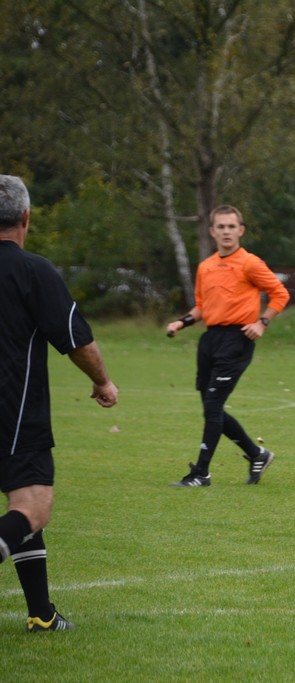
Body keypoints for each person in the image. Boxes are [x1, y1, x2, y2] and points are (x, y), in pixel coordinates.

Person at [0, 175, 119, 632]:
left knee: (21, 507)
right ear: (26, 218)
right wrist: (102, 382)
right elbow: (75, 340)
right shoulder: (33, 270)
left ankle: (42, 613)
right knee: (33, 508)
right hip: (14, 414)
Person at [166, 205, 290, 486]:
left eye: (231, 226)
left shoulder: (250, 263)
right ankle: (257, 454)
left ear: (240, 230)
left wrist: (262, 323)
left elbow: (280, 293)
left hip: (237, 340)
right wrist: (181, 322)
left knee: (213, 406)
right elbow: (202, 306)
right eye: (221, 227)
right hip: (210, 340)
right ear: (212, 231)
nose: (226, 232)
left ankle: (201, 473)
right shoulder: (205, 267)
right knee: (212, 408)